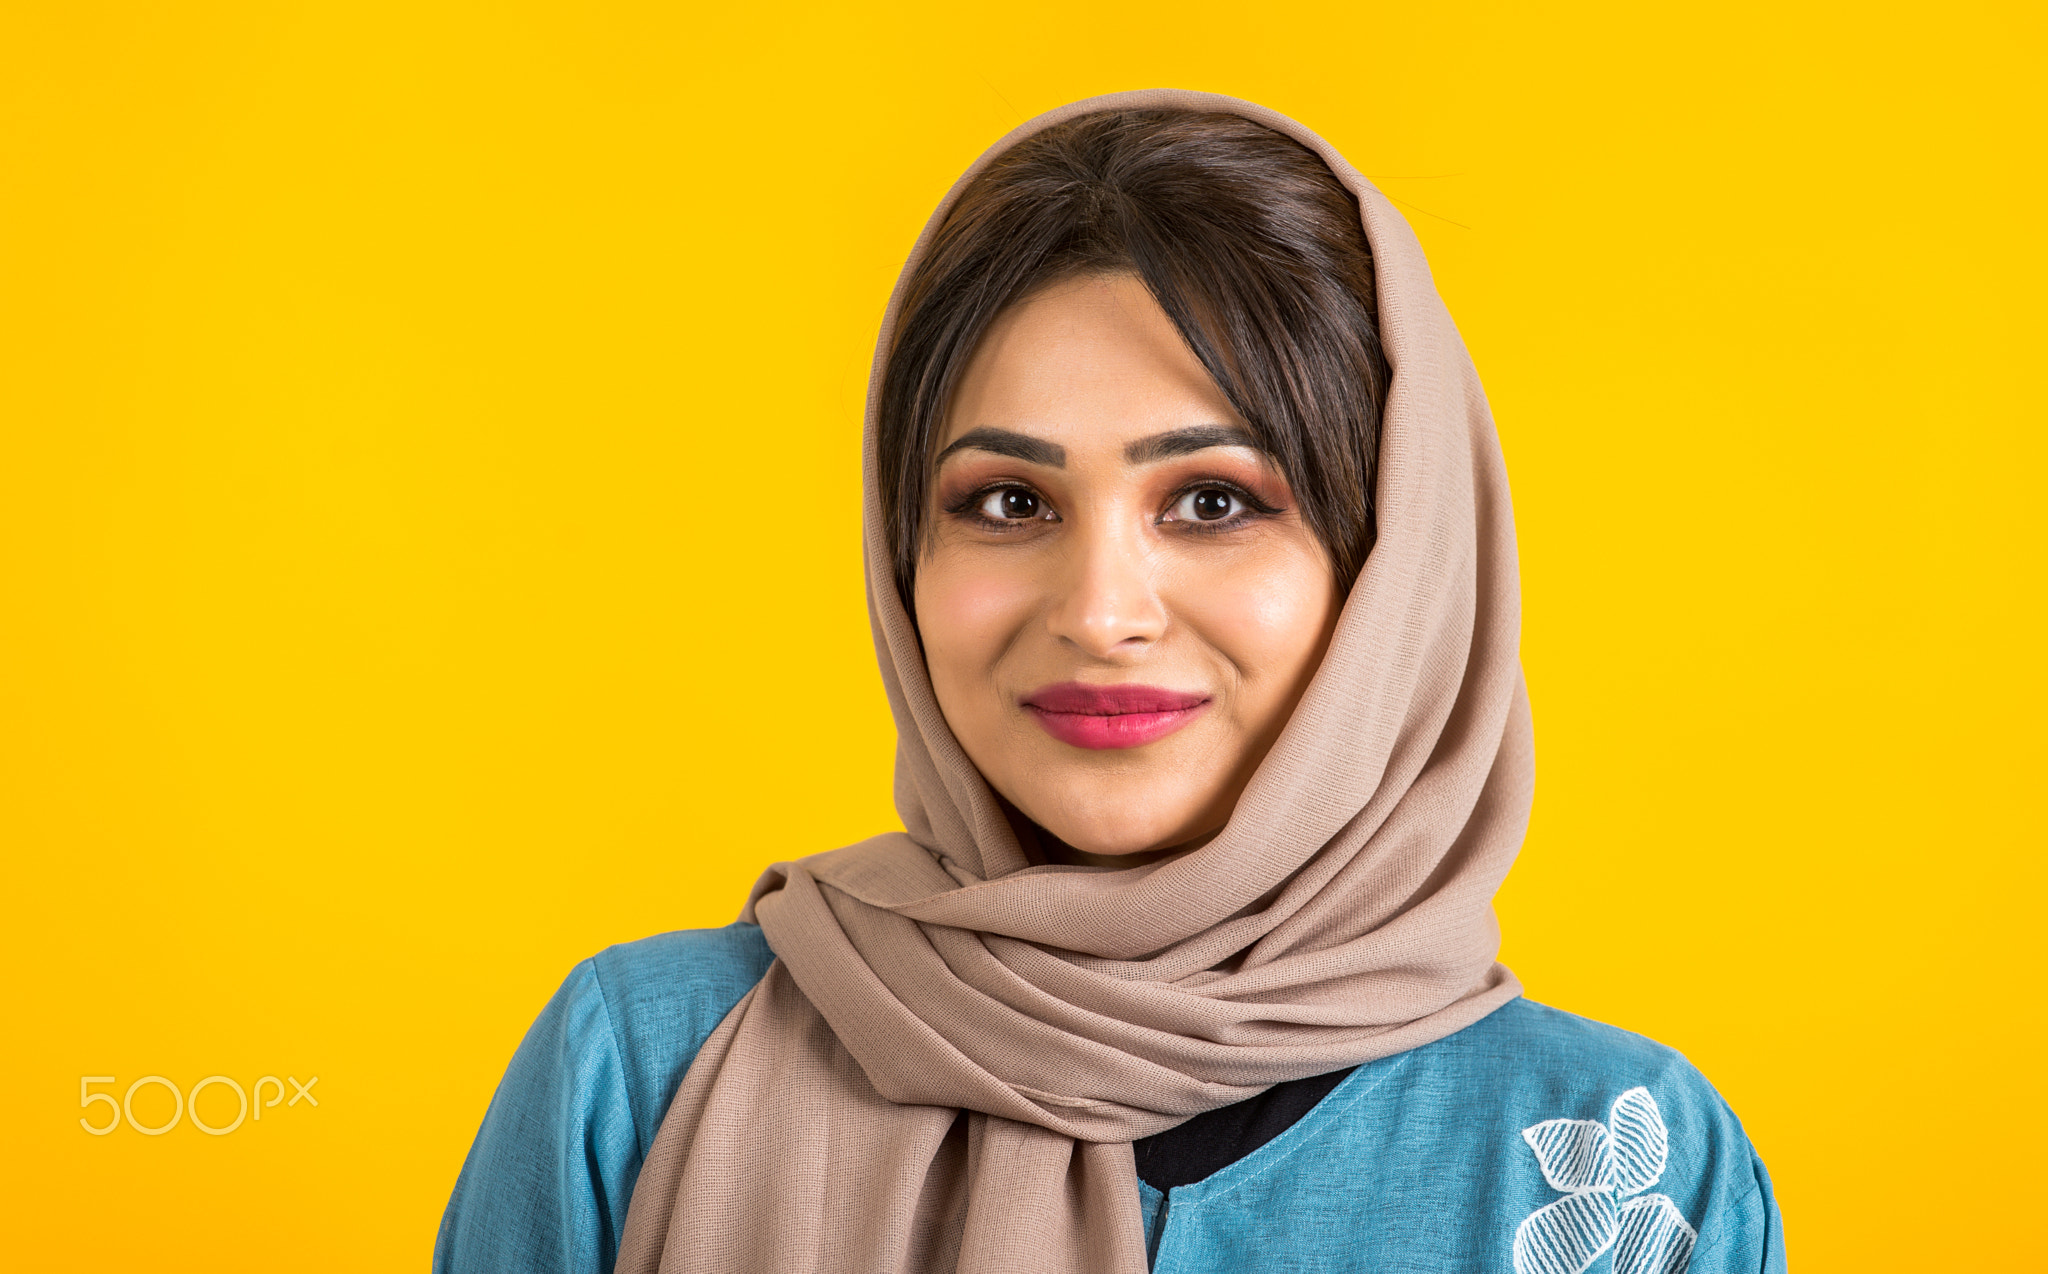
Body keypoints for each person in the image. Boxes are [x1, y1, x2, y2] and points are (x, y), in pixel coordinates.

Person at [435, 89, 1784, 1274]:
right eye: (1009, 499)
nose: (1099, 612)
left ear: (1391, 567)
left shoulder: (1630, 1171)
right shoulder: (639, 1073)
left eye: (1210, 498)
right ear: (901, 551)